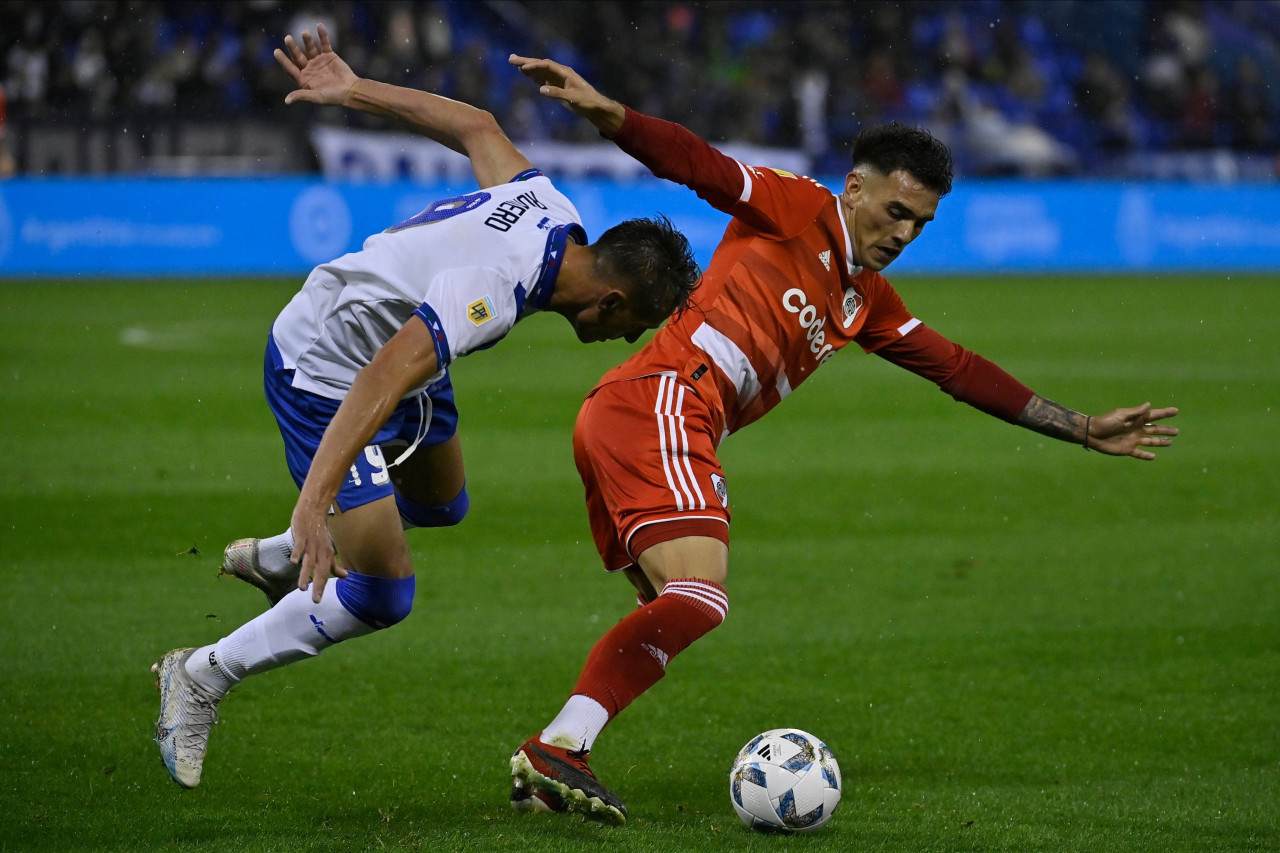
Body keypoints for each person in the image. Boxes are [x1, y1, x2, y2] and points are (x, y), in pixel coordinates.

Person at [501, 55, 1180, 825]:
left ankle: (555, 754)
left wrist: (1082, 427)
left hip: (645, 414)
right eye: (895, 210)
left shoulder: (867, 300)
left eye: (919, 223)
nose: (904, 232)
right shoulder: (794, 209)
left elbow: (956, 368)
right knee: (699, 594)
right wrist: (606, 111)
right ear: (855, 188)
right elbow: (700, 166)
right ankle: (561, 745)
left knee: (679, 599)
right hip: (662, 402)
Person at [149, 26, 700, 790]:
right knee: (383, 590)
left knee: (442, 502)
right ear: (610, 299)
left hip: (402, 347)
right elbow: (378, 378)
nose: (621, 340)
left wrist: (354, 89)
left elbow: (477, 126)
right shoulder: (497, 292)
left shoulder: (550, 208)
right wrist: (313, 502)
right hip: (326, 361)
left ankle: (278, 554)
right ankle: (201, 673)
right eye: (631, 326)